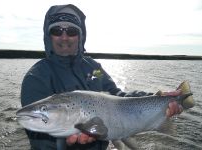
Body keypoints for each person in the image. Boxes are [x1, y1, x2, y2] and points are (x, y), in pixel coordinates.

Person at [20, 4, 183, 150]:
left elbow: (116, 95)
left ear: (80, 35)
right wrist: (69, 145)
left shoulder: (93, 69)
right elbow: (39, 138)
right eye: (57, 31)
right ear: (49, 36)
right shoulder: (36, 78)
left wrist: (156, 98)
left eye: (71, 31)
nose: (64, 37)